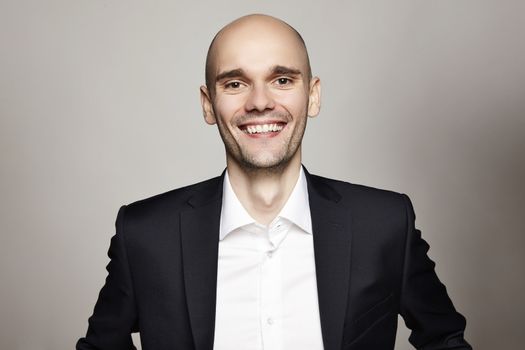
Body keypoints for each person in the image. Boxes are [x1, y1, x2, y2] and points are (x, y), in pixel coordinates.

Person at [77, 14, 472, 350]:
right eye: (235, 83)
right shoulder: (145, 234)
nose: (260, 101)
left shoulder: (385, 224)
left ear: (312, 96)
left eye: (282, 80)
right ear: (207, 104)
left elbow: (445, 339)